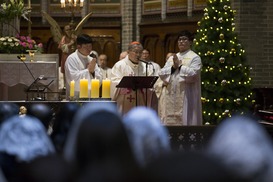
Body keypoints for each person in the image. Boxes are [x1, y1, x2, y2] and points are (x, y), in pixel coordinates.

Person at [158, 30, 202, 125]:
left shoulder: (195, 57)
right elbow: (161, 73)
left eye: (184, 39)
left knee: (186, 119)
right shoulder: (172, 58)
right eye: (179, 39)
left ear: (190, 42)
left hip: (187, 95)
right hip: (171, 95)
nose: (181, 41)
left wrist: (180, 66)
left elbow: (193, 75)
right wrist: (173, 67)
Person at [111, 41, 153, 114]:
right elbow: (113, 82)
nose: (138, 55)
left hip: (140, 102)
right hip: (125, 101)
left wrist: (145, 88)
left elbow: (151, 85)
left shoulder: (145, 67)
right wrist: (124, 86)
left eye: (140, 52)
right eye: (136, 52)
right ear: (128, 52)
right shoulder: (120, 65)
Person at [64, 34, 102, 99]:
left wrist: (93, 72)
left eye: (90, 46)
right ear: (78, 46)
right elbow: (73, 78)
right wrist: (88, 70)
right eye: (86, 47)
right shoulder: (72, 58)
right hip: (76, 97)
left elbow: (100, 78)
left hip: (90, 96)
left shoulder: (91, 59)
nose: (89, 49)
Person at [58, 24, 77, 88]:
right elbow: (62, 47)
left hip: (74, 56)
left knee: (73, 70)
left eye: (69, 29)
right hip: (66, 56)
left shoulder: (74, 37)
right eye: (67, 30)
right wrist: (70, 44)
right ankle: (65, 86)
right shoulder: (64, 38)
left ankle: (73, 85)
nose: (68, 31)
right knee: (66, 70)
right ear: (64, 31)